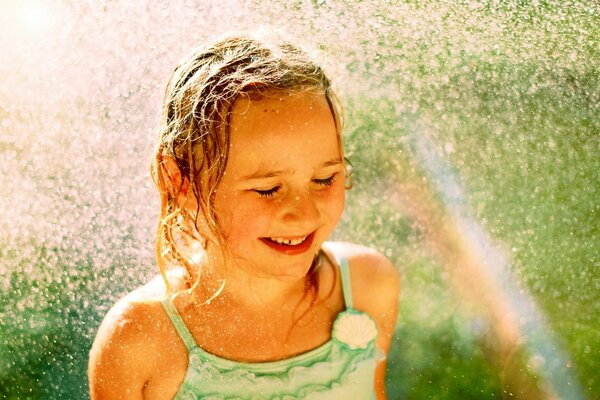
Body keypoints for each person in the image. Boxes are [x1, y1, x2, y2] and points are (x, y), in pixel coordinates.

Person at [88, 33, 400, 400]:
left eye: (324, 179)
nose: (304, 212)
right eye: (268, 189)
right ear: (181, 181)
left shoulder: (368, 286)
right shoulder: (141, 339)